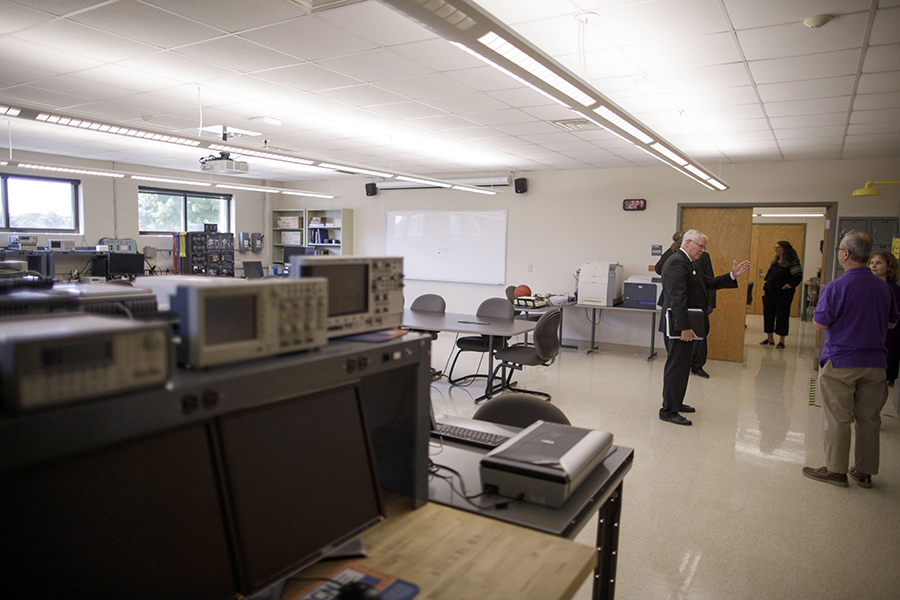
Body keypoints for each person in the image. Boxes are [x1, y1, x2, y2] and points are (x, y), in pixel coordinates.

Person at [803, 232, 898, 488]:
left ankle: (836, 470)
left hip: (842, 361)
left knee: (838, 417)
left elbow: (820, 324)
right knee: (869, 419)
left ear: (845, 254)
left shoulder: (837, 286)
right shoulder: (884, 288)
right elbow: (891, 322)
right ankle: (865, 472)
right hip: (875, 362)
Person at [658, 230, 750, 426]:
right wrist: (684, 327)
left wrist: (731, 276)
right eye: (700, 246)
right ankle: (668, 410)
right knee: (676, 366)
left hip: (684, 323)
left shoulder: (689, 262)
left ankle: (676, 403)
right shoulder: (676, 262)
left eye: (703, 247)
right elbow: (677, 299)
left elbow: (706, 283)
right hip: (677, 326)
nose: (702, 250)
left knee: (682, 367)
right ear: (688, 243)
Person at [656, 231, 716, 378]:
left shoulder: (702, 257)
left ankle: (697, 365)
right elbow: (659, 269)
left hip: (696, 307)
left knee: (699, 341)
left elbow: (708, 280)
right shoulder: (674, 257)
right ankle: (673, 398)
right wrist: (671, 249)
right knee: (677, 354)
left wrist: (710, 303)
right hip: (677, 308)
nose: (702, 250)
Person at [869, 251, 900, 412]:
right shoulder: (870, 286)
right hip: (872, 341)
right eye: (872, 262)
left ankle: (875, 414)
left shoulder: (892, 289)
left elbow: (891, 321)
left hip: (888, 342)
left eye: (879, 262)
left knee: (881, 381)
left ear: (889, 267)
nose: (873, 265)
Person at [760, 241, 803, 349]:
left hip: (783, 294)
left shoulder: (792, 262)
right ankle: (769, 338)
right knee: (768, 315)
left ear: (785, 249)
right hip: (770, 293)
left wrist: (788, 286)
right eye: (775, 247)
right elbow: (770, 274)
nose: (776, 249)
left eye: (778, 247)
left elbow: (797, 276)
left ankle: (781, 340)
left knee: (782, 316)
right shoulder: (775, 261)